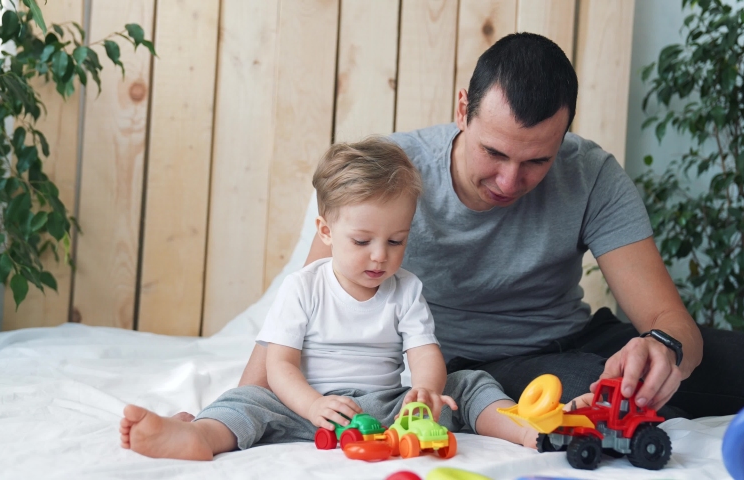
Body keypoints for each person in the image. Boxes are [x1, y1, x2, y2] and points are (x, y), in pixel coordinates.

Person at [240, 32, 744, 420]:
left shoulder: (593, 172)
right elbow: (303, 304)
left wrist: (663, 348)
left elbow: (669, 320)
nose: (510, 180)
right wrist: (240, 405)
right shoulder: (391, 171)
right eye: (494, 153)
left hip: (571, 336)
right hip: (458, 366)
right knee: (606, 402)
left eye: (537, 160)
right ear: (464, 108)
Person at [120, 137, 580, 460]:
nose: (380, 257)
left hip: (385, 407)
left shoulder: (406, 290)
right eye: (362, 242)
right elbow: (279, 366)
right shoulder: (303, 288)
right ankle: (197, 435)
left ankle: (524, 428)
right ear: (326, 232)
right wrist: (311, 406)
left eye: (396, 241)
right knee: (246, 400)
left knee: (468, 382)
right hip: (310, 407)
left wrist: (427, 388)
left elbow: (424, 354)